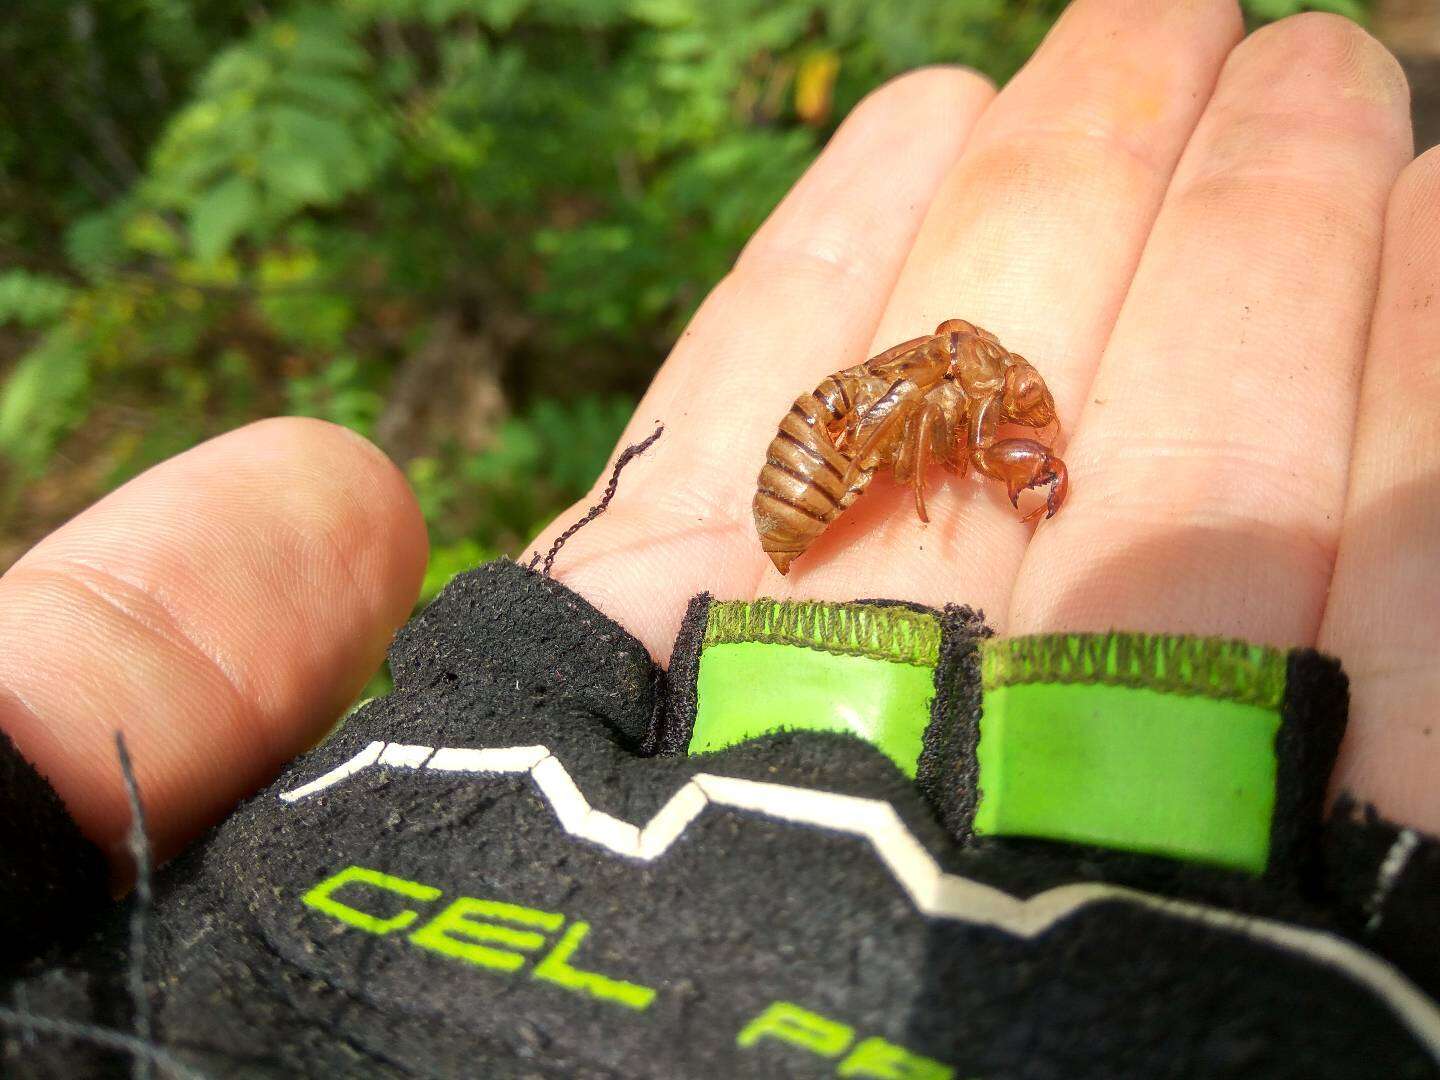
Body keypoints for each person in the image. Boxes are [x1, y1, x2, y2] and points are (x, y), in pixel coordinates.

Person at [3, 3, 1439, 1076]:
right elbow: (947, 434)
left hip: (837, 453)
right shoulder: (949, 410)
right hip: (820, 470)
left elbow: (953, 422)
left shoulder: (957, 395)